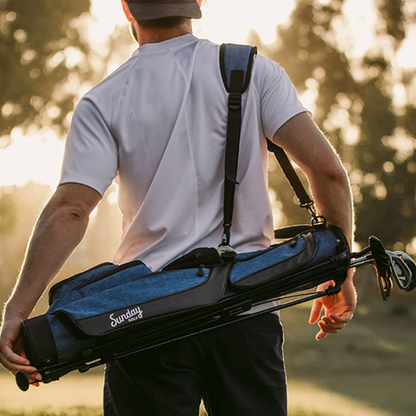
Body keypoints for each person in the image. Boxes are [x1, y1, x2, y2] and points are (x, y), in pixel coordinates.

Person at [0, 0, 356, 415]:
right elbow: (328, 171)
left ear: (127, 9)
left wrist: (17, 310)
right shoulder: (253, 70)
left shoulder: (104, 99)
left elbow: (71, 210)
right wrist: (339, 272)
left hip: (146, 320)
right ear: (198, 3)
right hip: (246, 311)